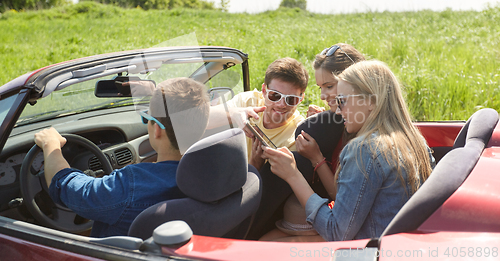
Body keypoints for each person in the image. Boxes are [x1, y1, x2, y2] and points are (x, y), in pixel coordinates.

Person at [264, 60, 435, 241]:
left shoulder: (364, 149)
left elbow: (336, 231)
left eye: (342, 101)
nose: (338, 111)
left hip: (368, 251)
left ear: (371, 101)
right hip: (397, 246)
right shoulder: (416, 141)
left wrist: (292, 175)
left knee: (263, 245)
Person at [34, 77, 210, 238]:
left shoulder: (131, 185)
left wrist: (51, 145)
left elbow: (67, 188)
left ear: (156, 129)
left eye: (145, 118)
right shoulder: (214, 173)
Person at [247, 44, 365, 239]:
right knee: (262, 241)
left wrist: (311, 162)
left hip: (345, 231)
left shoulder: (365, 142)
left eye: (329, 86)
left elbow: (344, 210)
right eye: (320, 87)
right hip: (322, 222)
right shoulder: (338, 124)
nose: (322, 96)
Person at [207, 57, 309, 167]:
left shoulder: (297, 137)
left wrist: (256, 163)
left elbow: (268, 184)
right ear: (264, 91)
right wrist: (233, 114)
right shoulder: (248, 101)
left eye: (291, 99)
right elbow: (202, 120)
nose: (281, 104)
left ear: (301, 99)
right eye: (275, 95)